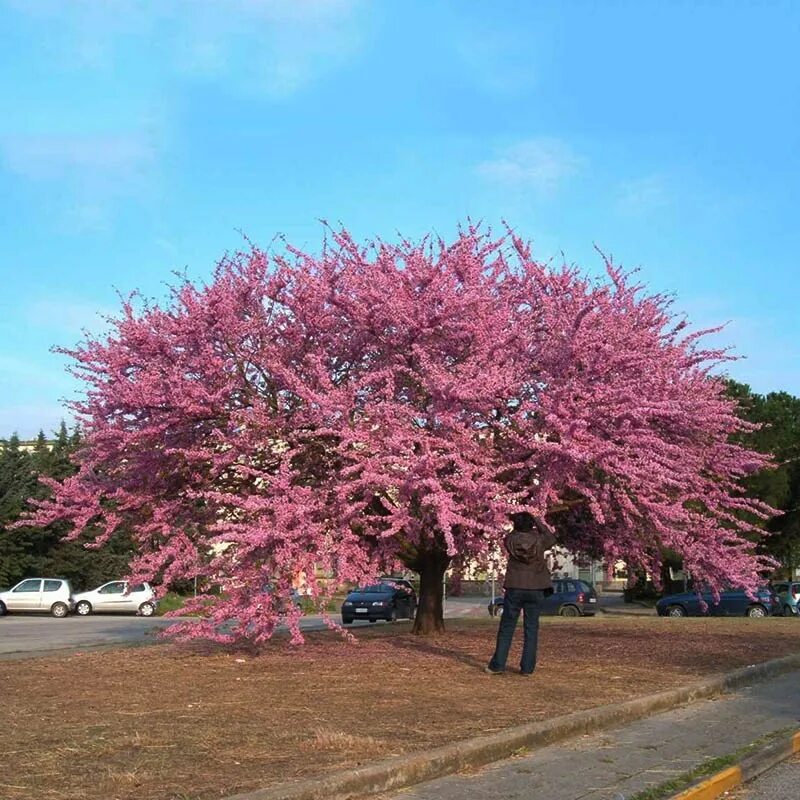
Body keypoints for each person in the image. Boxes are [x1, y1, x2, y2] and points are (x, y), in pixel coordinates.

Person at [486, 511, 556, 676]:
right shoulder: (540, 541)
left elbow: (510, 535)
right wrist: (537, 521)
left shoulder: (510, 540)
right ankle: (527, 667)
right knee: (531, 628)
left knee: (507, 627)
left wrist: (518, 525)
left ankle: (498, 665)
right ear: (531, 526)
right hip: (535, 587)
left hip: (515, 587)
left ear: (515, 526)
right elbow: (551, 537)